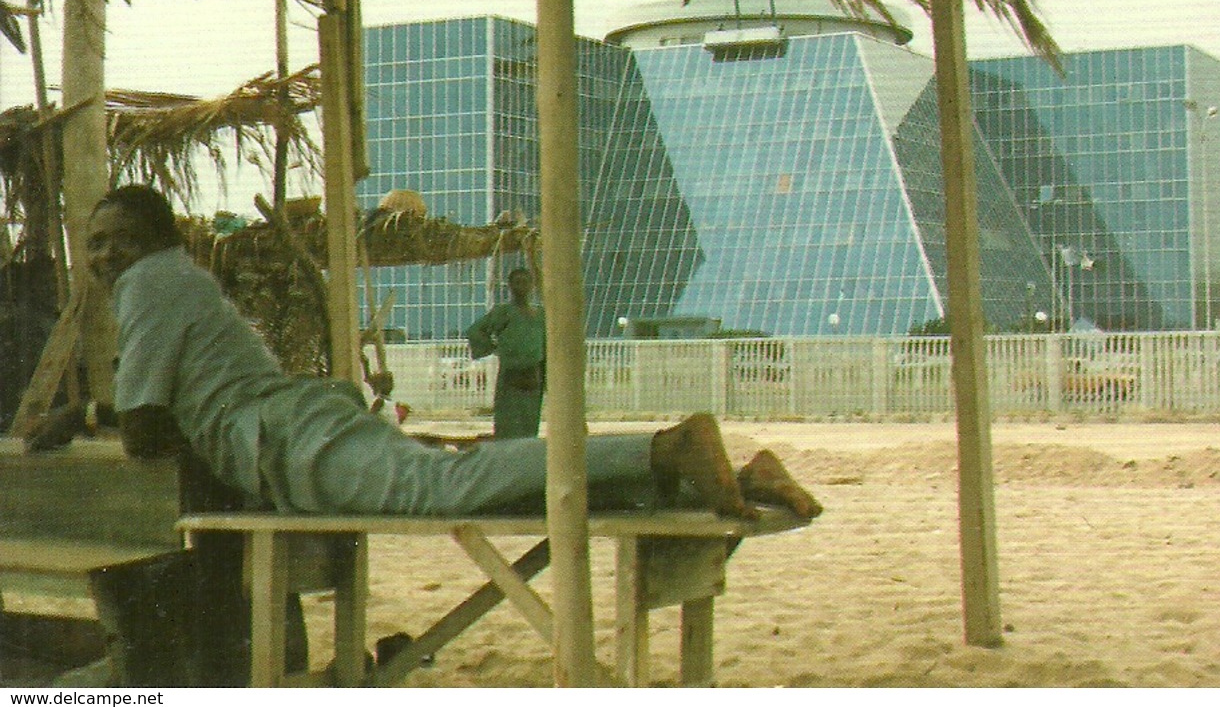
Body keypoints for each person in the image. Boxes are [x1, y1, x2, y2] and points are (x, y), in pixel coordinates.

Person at [27, 185, 820, 523]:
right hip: (300, 427)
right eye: (93, 244)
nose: (102, 256)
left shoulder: (148, 283)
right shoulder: (177, 277)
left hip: (290, 437)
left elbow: (146, 434)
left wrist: (83, 413)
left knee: (450, 484)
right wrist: (91, 411)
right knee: (482, 492)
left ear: (157, 240)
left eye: (116, 240)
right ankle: (733, 475)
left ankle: (669, 443)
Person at [465, 263, 545, 439]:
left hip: (533, 378)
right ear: (510, 286)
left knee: (530, 426)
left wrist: (547, 379)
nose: (521, 287)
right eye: (517, 282)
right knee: (507, 426)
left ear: (532, 285)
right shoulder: (504, 312)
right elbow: (474, 331)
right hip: (510, 378)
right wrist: (494, 348)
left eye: (525, 282)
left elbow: (546, 347)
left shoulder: (541, 315)